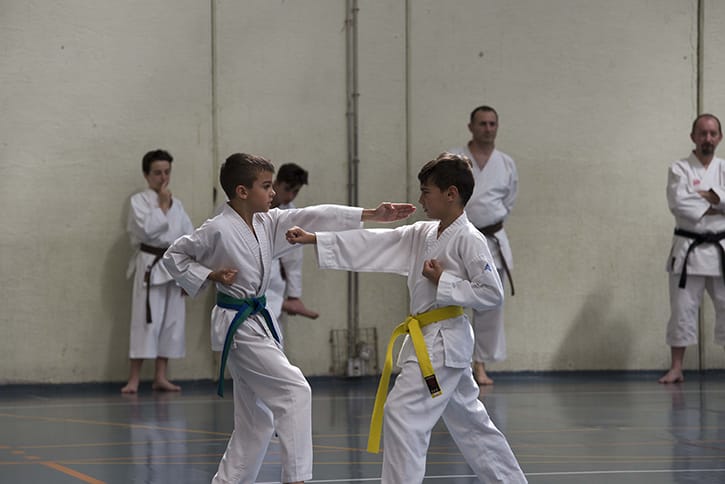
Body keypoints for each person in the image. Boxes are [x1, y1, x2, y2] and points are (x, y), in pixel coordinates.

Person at [162, 152, 415, 484]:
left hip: (254, 321)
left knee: (257, 422)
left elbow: (313, 215)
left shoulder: (266, 222)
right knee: (295, 391)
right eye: (266, 186)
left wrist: (370, 214)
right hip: (238, 325)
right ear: (242, 191)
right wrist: (210, 274)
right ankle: (296, 479)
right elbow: (174, 256)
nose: (273, 193)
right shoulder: (217, 229)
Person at [286, 152, 527, 484]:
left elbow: (491, 293)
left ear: (451, 194)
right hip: (432, 341)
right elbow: (378, 242)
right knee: (472, 425)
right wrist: (317, 239)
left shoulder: (469, 238)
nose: (421, 199)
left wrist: (444, 281)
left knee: (402, 414)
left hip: (442, 343)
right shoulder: (424, 233)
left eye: (426, 192)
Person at [450, 105, 518, 385]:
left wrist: (488, 221)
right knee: (454, 301)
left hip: (492, 239)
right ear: (471, 127)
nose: (488, 129)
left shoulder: (506, 163)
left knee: (489, 305)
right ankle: (455, 364)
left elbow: (508, 202)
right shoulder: (455, 159)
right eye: (482, 124)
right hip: (458, 238)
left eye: (492, 124)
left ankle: (480, 365)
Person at [660, 113, 725, 384]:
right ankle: (676, 368)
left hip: (721, 249)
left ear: (719, 138)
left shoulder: (724, 167)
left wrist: (703, 195)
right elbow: (679, 204)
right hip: (689, 249)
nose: (707, 138)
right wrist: (718, 202)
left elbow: (693, 202)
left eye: (712, 133)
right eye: (702, 133)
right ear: (693, 137)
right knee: (682, 310)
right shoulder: (679, 169)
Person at [122, 149, 194, 394]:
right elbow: (147, 232)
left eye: (167, 172)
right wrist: (162, 205)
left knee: (172, 322)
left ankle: (160, 377)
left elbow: (189, 238)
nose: (163, 178)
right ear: (146, 175)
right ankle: (133, 379)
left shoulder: (178, 205)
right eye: (157, 173)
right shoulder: (138, 202)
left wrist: (188, 276)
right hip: (150, 266)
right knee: (145, 321)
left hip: (173, 266)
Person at [267, 163, 319, 322]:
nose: (290, 196)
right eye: (287, 189)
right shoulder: (251, 205)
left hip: (274, 279)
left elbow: (294, 257)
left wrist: (294, 295)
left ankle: (282, 304)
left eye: (295, 191)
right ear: (276, 182)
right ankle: (281, 304)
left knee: (273, 328)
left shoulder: (291, 214)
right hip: (245, 273)